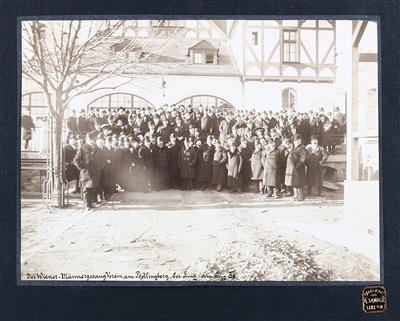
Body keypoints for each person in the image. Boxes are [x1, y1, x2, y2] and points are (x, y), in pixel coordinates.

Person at [73, 132, 101, 209]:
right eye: (90, 139)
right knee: (87, 188)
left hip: (95, 171)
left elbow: (100, 159)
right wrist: (82, 168)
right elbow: (76, 160)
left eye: (92, 139)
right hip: (86, 172)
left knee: (93, 188)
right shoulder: (82, 148)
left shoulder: (97, 148)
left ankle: (91, 203)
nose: (91, 141)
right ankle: (87, 205)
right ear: (87, 139)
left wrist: (99, 168)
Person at [284, 134, 307, 201]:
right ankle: (296, 195)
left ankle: (301, 197)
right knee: (294, 183)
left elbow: (303, 159)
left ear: (300, 140)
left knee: (299, 183)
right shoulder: (295, 148)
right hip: (293, 169)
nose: (295, 142)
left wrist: (297, 167)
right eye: (294, 141)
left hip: (298, 169)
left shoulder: (302, 148)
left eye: (297, 140)